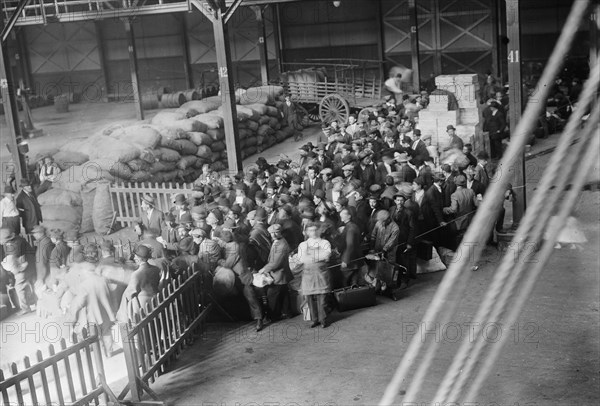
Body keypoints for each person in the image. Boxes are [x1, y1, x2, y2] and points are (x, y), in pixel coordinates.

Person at [65, 244, 118, 357]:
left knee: (93, 334)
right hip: (106, 313)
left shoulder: (84, 285)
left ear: (86, 272)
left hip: (93, 315)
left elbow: (79, 303)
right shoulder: (103, 280)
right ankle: (109, 352)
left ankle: (97, 355)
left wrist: (72, 314)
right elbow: (112, 294)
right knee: (107, 332)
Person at [298, 222, 332, 328]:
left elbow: (327, 254)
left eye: (315, 230)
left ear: (319, 230)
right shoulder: (303, 245)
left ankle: (323, 319)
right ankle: (314, 319)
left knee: (322, 299)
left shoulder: (325, 243)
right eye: (311, 230)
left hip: (321, 273)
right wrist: (317, 256)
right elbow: (301, 259)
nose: (313, 232)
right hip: (308, 274)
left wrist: (310, 256)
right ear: (307, 232)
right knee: (309, 298)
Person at [117, 245, 161, 322]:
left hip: (143, 304)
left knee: (146, 326)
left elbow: (131, 292)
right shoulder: (156, 269)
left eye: (135, 256)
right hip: (155, 300)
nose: (134, 258)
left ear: (140, 258)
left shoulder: (137, 274)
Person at [257, 224, 292, 321]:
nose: (273, 235)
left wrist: (264, 269)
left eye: (276, 232)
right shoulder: (277, 241)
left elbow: (276, 263)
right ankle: (287, 312)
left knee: (272, 295)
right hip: (281, 274)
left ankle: (273, 316)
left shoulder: (282, 245)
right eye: (271, 233)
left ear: (281, 232)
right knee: (284, 293)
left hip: (279, 274)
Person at [443, 175, 479, 246]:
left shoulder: (455, 195)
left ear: (456, 183)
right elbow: (477, 204)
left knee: (460, 238)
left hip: (460, 221)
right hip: (470, 219)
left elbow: (453, 209)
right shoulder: (471, 191)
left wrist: (445, 209)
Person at [338, 208, 362, 287]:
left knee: (346, 281)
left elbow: (350, 244)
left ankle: (348, 298)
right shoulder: (352, 226)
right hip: (355, 258)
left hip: (350, 260)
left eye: (343, 214)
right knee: (354, 282)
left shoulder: (350, 228)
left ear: (349, 216)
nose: (340, 215)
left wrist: (345, 259)